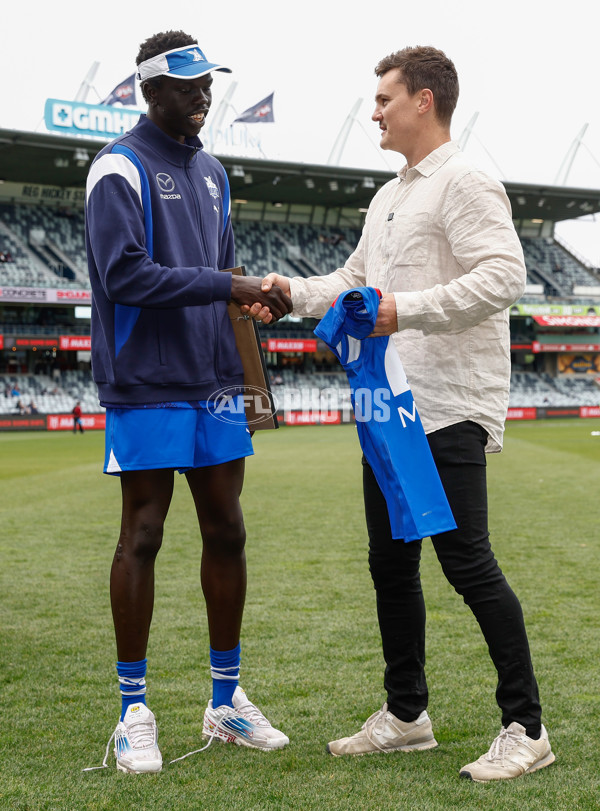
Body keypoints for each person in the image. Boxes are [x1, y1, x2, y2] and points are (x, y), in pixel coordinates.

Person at [258, 46, 554, 782]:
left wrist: (404, 310)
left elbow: (504, 275)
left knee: (467, 564)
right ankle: (406, 715)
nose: (375, 112)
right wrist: (287, 292)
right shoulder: (387, 198)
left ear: (425, 100)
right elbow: (353, 282)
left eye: (385, 99)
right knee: (390, 566)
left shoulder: (466, 180)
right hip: (387, 407)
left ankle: (527, 728)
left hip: (447, 405)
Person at [84, 29, 292, 775]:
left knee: (228, 530)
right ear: (151, 91)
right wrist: (224, 284)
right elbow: (125, 276)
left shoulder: (212, 172)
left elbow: (220, 270)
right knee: (142, 534)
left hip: (214, 382)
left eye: (209, 83)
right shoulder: (119, 167)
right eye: (188, 85)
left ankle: (226, 701)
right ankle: (132, 711)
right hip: (145, 381)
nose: (204, 95)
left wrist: (249, 302)